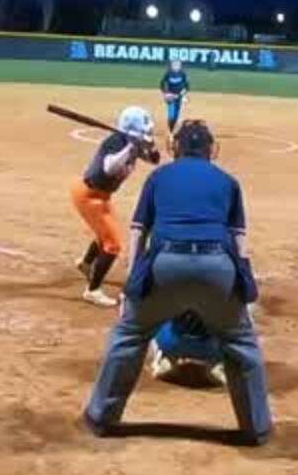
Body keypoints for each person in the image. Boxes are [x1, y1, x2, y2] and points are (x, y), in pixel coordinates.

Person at [83, 120, 271, 445]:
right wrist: (242, 290)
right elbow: (240, 245)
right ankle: (256, 429)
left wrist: (132, 285)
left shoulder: (158, 177)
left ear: (177, 148)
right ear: (211, 149)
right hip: (218, 266)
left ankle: (101, 418)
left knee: (129, 334)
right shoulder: (228, 181)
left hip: (165, 265)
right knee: (241, 342)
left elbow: (139, 232)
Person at [71, 105, 160, 307]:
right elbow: (108, 168)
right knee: (113, 245)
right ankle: (92, 291)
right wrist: (130, 148)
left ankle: (86, 263)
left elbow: (154, 160)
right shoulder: (115, 142)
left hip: (102, 196)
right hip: (88, 195)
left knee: (106, 234)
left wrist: (148, 146)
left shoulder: (130, 142)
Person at [160, 58, 190, 133]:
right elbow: (162, 84)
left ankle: (172, 130)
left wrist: (180, 95)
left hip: (179, 97)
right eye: (174, 64)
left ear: (180, 66)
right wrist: (166, 93)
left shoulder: (183, 74)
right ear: (171, 65)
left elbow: (187, 87)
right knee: (171, 116)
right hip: (171, 97)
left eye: (177, 64)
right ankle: (170, 131)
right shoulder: (168, 73)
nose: (176, 66)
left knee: (176, 115)